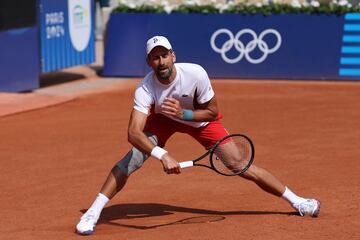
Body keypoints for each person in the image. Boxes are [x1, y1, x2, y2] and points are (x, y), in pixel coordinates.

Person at [75, 36, 321, 235]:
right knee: (132, 159)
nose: (160, 62)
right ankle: (93, 213)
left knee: (239, 164)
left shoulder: (195, 74)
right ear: (149, 62)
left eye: (164, 55)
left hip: (199, 120)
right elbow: (133, 132)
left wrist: (185, 114)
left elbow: (213, 112)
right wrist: (162, 155)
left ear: (173, 56)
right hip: (162, 122)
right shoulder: (145, 88)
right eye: (154, 58)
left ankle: (298, 201)